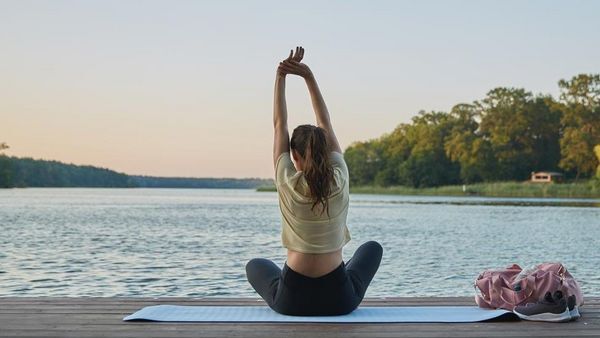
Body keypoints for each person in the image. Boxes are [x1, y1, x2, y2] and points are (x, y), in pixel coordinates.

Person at [245, 46, 383, 316]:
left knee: (256, 265)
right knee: (371, 249)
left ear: (293, 155)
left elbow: (279, 124)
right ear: (326, 152)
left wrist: (281, 76)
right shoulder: (340, 177)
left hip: (291, 302)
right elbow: (325, 122)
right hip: (339, 300)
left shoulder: (287, 181)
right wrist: (308, 77)